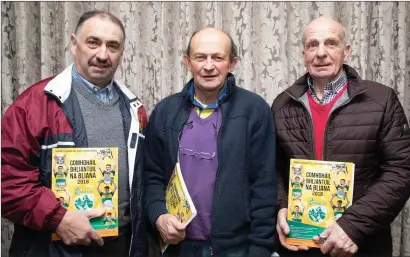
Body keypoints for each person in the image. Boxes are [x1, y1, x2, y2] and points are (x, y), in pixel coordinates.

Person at [1, 10, 148, 257]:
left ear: (121, 54)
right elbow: (8, 182)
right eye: (93, 42)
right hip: (52, 247)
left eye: (112, 46)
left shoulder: (136, 110)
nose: (103, 54)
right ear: (73, 43)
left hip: (120, 245)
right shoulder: (33, 105)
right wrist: (58, 218)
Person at [271, 16, 410, 257]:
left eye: (331, 43)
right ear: (304, 53)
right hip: (301, 244)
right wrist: (281, 206)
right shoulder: (282, 104)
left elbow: (402, 169)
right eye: (313, 45)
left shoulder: (381, 99)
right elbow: (273, 168)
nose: (321, 53)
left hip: (360, 243)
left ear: (345, 51)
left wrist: (352, 226)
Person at [144, 27, 276, 257]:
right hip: (179, 248)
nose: (208, 66)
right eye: (200, 57)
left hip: (237, 249)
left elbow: (263, 187)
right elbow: (152, 176)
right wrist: (159, 216)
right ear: (187, 61)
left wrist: (260, 249)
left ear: (232, 63)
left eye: (218, 57)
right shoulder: (165, 112)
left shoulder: (255, 111)